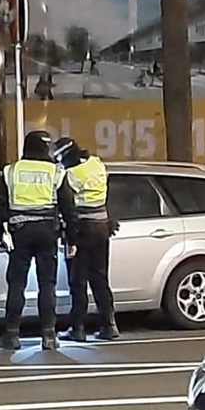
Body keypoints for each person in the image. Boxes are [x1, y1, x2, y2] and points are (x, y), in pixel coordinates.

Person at [0, 129, 73, 350]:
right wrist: (71, 239)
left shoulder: (11, 171)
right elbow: (69, 208)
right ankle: (49, 336)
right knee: (48, 284)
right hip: (47, 231)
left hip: (20, 232)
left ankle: (12, 335)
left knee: (16, 283)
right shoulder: (56, 172)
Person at [54, 136, 118, 342]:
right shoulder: (96, 164)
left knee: (78, 281)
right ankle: (109, 325)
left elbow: (67, 206)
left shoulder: (69, 175)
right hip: (102, 226)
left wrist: (69, 237)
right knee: (100, 279)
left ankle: (78, 328)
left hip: (81, 229)